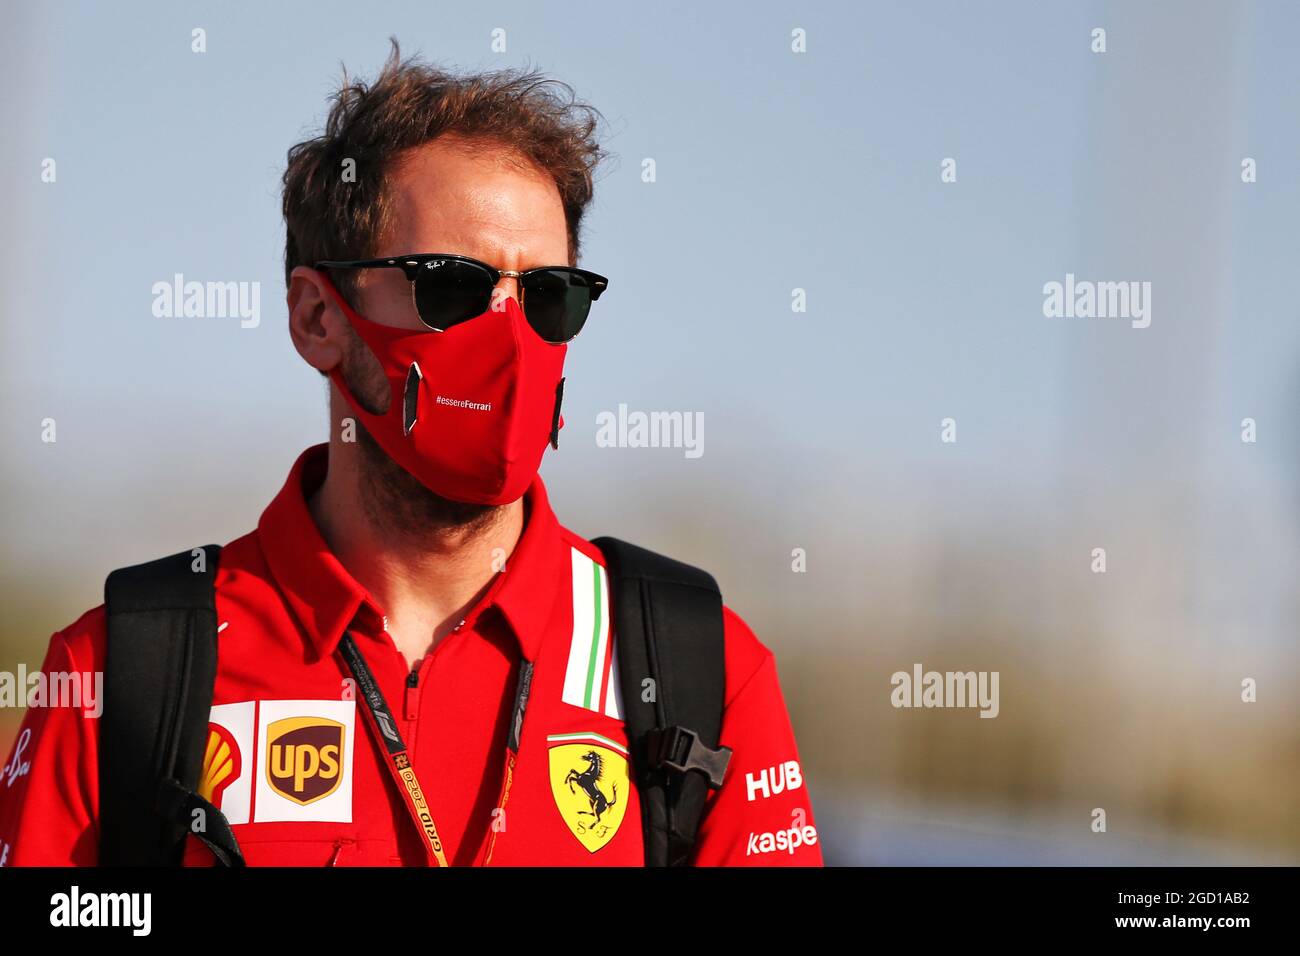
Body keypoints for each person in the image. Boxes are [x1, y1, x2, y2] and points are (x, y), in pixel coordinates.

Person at [0, 44, 823, 867]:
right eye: (452, 287)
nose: (509, 337)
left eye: (549, 296)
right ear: (319, 317)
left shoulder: (698, 666)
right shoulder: (123, 669)